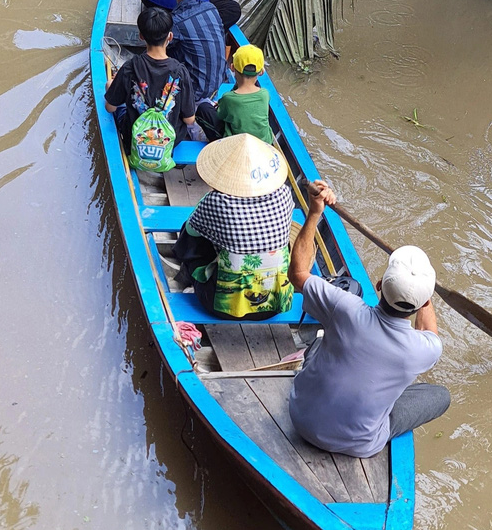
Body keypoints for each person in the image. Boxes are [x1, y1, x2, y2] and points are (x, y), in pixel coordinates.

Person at [287, 181, 450, 458]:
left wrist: (314, 212)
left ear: (378, 285)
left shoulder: (344, 308)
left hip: (300, 418)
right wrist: (426, 296)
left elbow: (298, 273)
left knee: (321, 340)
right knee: (440, 396)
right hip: (358, 445)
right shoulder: (424, 349)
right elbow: (429, 331)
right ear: (423, 302)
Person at [172, 133, 294, 319]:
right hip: (277, 304)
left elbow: (190, 231)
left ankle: (190, 277)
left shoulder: (218, 202)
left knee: (189, 232)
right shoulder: (284, 194)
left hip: (223, 308)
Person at [105, 6, 196, 156]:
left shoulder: (130, 67)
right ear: (170, 37)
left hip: (134, 138)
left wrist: (111, 87)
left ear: (141, 36)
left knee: (110, 88)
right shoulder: (180, 72)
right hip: (168, 140)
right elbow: (189, 119)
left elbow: (110, 108)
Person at [167, 0, 227, 112]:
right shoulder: (211, 8)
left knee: (163, 48)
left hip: (194, 93)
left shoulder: (175, 22)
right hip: (217, 84)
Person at [216, 44, 272, 144]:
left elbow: (220, 116)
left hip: (237, 144)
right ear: (261, 72)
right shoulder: (265, 94)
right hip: (264, 143)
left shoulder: (228, 98)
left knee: (204, 109)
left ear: (232, 67)